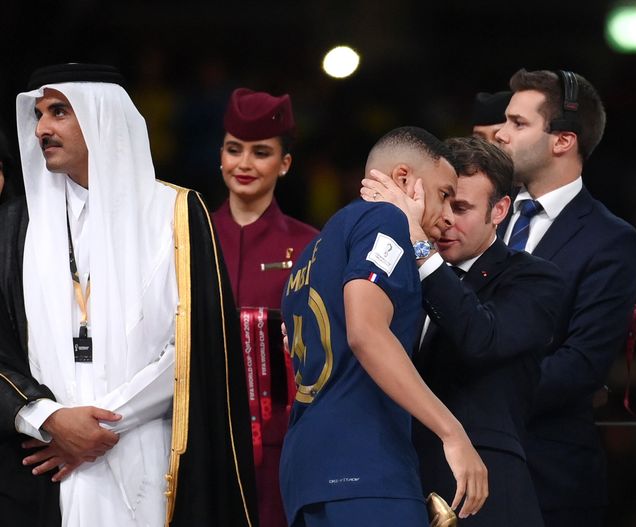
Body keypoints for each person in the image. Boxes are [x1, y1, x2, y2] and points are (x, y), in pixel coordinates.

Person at [0, 63, 256, 526]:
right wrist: (51, 420)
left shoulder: (175, 213)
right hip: (48, 462)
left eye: (59, 112)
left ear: (102, 115)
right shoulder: (17, 226)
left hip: (147, 451)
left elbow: (194, 345)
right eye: (38, 115)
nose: (41, 129)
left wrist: (96, 426)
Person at [280, 127, 488, 526]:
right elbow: (366, 332)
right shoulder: (385, 218)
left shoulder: (311, 251)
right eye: (444, 194)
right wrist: (452, 432)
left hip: (306, 473)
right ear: (404, 179)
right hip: (364, 463)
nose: (447, 216)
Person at [361, 136, 564, 526]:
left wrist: (421, 248)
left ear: (499, 210)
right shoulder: (394, 272)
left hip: (483, 492)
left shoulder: (535, 278)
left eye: (461, 207)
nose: (446, 218)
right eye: (441, 202)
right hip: (394, 481)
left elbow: (480, 338)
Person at [493, 69, 636, 526]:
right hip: (453, 463)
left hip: (545, 473)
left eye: (518, 123)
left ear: (563, 140)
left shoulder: (610, 239)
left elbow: (581, 363)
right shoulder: (478, 214)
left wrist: (480, 397)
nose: (500, 133)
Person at [212, 87, 319, 527]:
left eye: (261, 152)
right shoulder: (186, 236)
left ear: (285, 163)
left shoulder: (310, 245)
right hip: (202, 432)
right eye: (234, 149)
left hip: (282, 439)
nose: (244, 164)